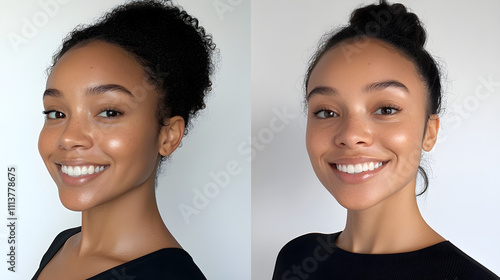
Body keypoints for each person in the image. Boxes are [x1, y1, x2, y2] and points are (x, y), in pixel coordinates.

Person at [272, 1, 500, 279]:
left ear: (430, 132)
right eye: (326, 111)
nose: (350, 135)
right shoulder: (295, 257)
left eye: (386, 109)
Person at [33, 0, 215, 279]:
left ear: (168, 136)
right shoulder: (63, 244)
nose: (68, 138)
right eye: (56, 112)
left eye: (108, 112)